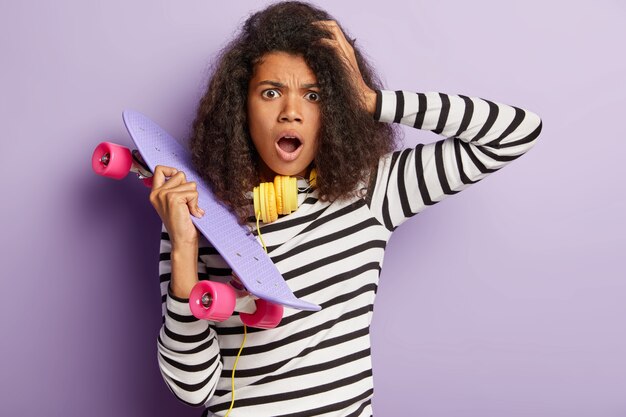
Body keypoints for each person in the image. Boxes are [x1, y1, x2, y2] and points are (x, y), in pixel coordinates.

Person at [148, 2, 543, 416]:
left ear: (335, 109)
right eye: (270, 92)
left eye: (314, 95)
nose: (291, 112)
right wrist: (183, 251)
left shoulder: (373, 191)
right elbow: (191, 389)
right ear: (240, 106)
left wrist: (371, 100)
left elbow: (516, 132)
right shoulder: (196, 214)